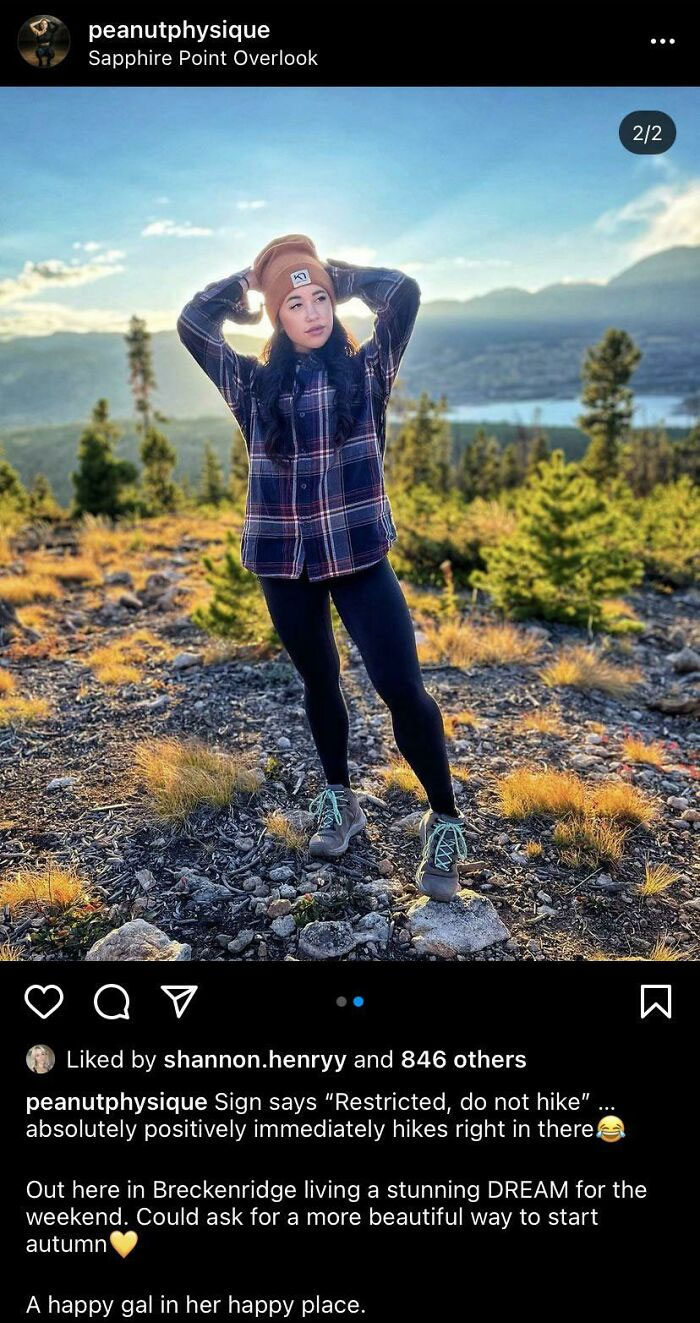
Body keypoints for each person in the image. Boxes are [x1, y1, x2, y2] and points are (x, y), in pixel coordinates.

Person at [177, 235, 469, 901]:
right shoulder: (251, 385)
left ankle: (444, 818)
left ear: (334, 304)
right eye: (295, 304)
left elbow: (403, 293)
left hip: (361, 558)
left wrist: (329, 272)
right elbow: (193, 322)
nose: (311, 312)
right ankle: (341, 798)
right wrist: (254, 284)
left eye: (320, 300)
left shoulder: (367, 373)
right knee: (319, 681)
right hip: (285, 563)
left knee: (403, 689)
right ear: (277, 319)